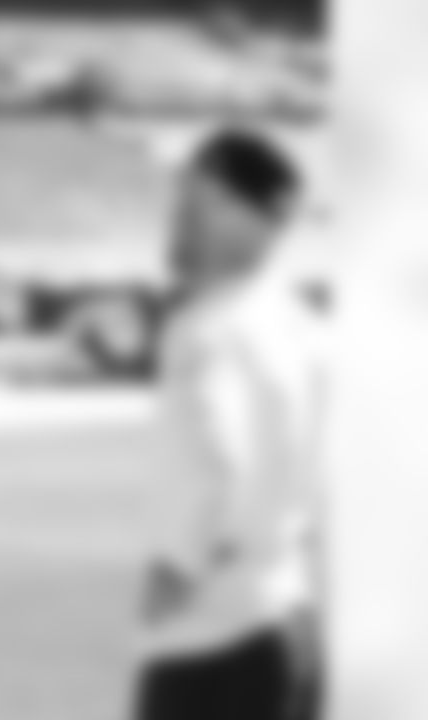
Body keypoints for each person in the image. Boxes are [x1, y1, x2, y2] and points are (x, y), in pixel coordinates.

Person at [134, 127, 328, 720]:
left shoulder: (206, 329)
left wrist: (177, 566)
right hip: (291, 623)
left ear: (240, 213)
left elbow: (219, 461)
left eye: (196, 195)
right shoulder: (302, 326)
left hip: (214, 640)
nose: (178, 213)